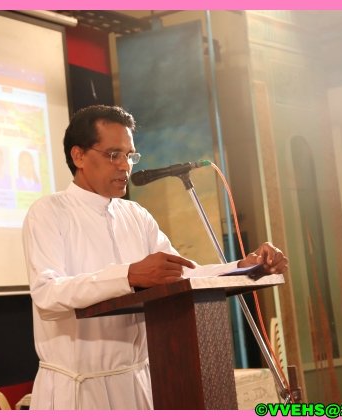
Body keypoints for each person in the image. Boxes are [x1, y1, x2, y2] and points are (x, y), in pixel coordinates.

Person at [22, 105, 288, 410]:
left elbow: (182, 274)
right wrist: (128, 276)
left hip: (138, 383)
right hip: (79, 389)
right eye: (113, 155)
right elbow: (47, 293)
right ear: (78, 156)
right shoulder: (49, 212)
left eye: (130, 155)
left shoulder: (136, 215)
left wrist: (244, 267)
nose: (125, 166)